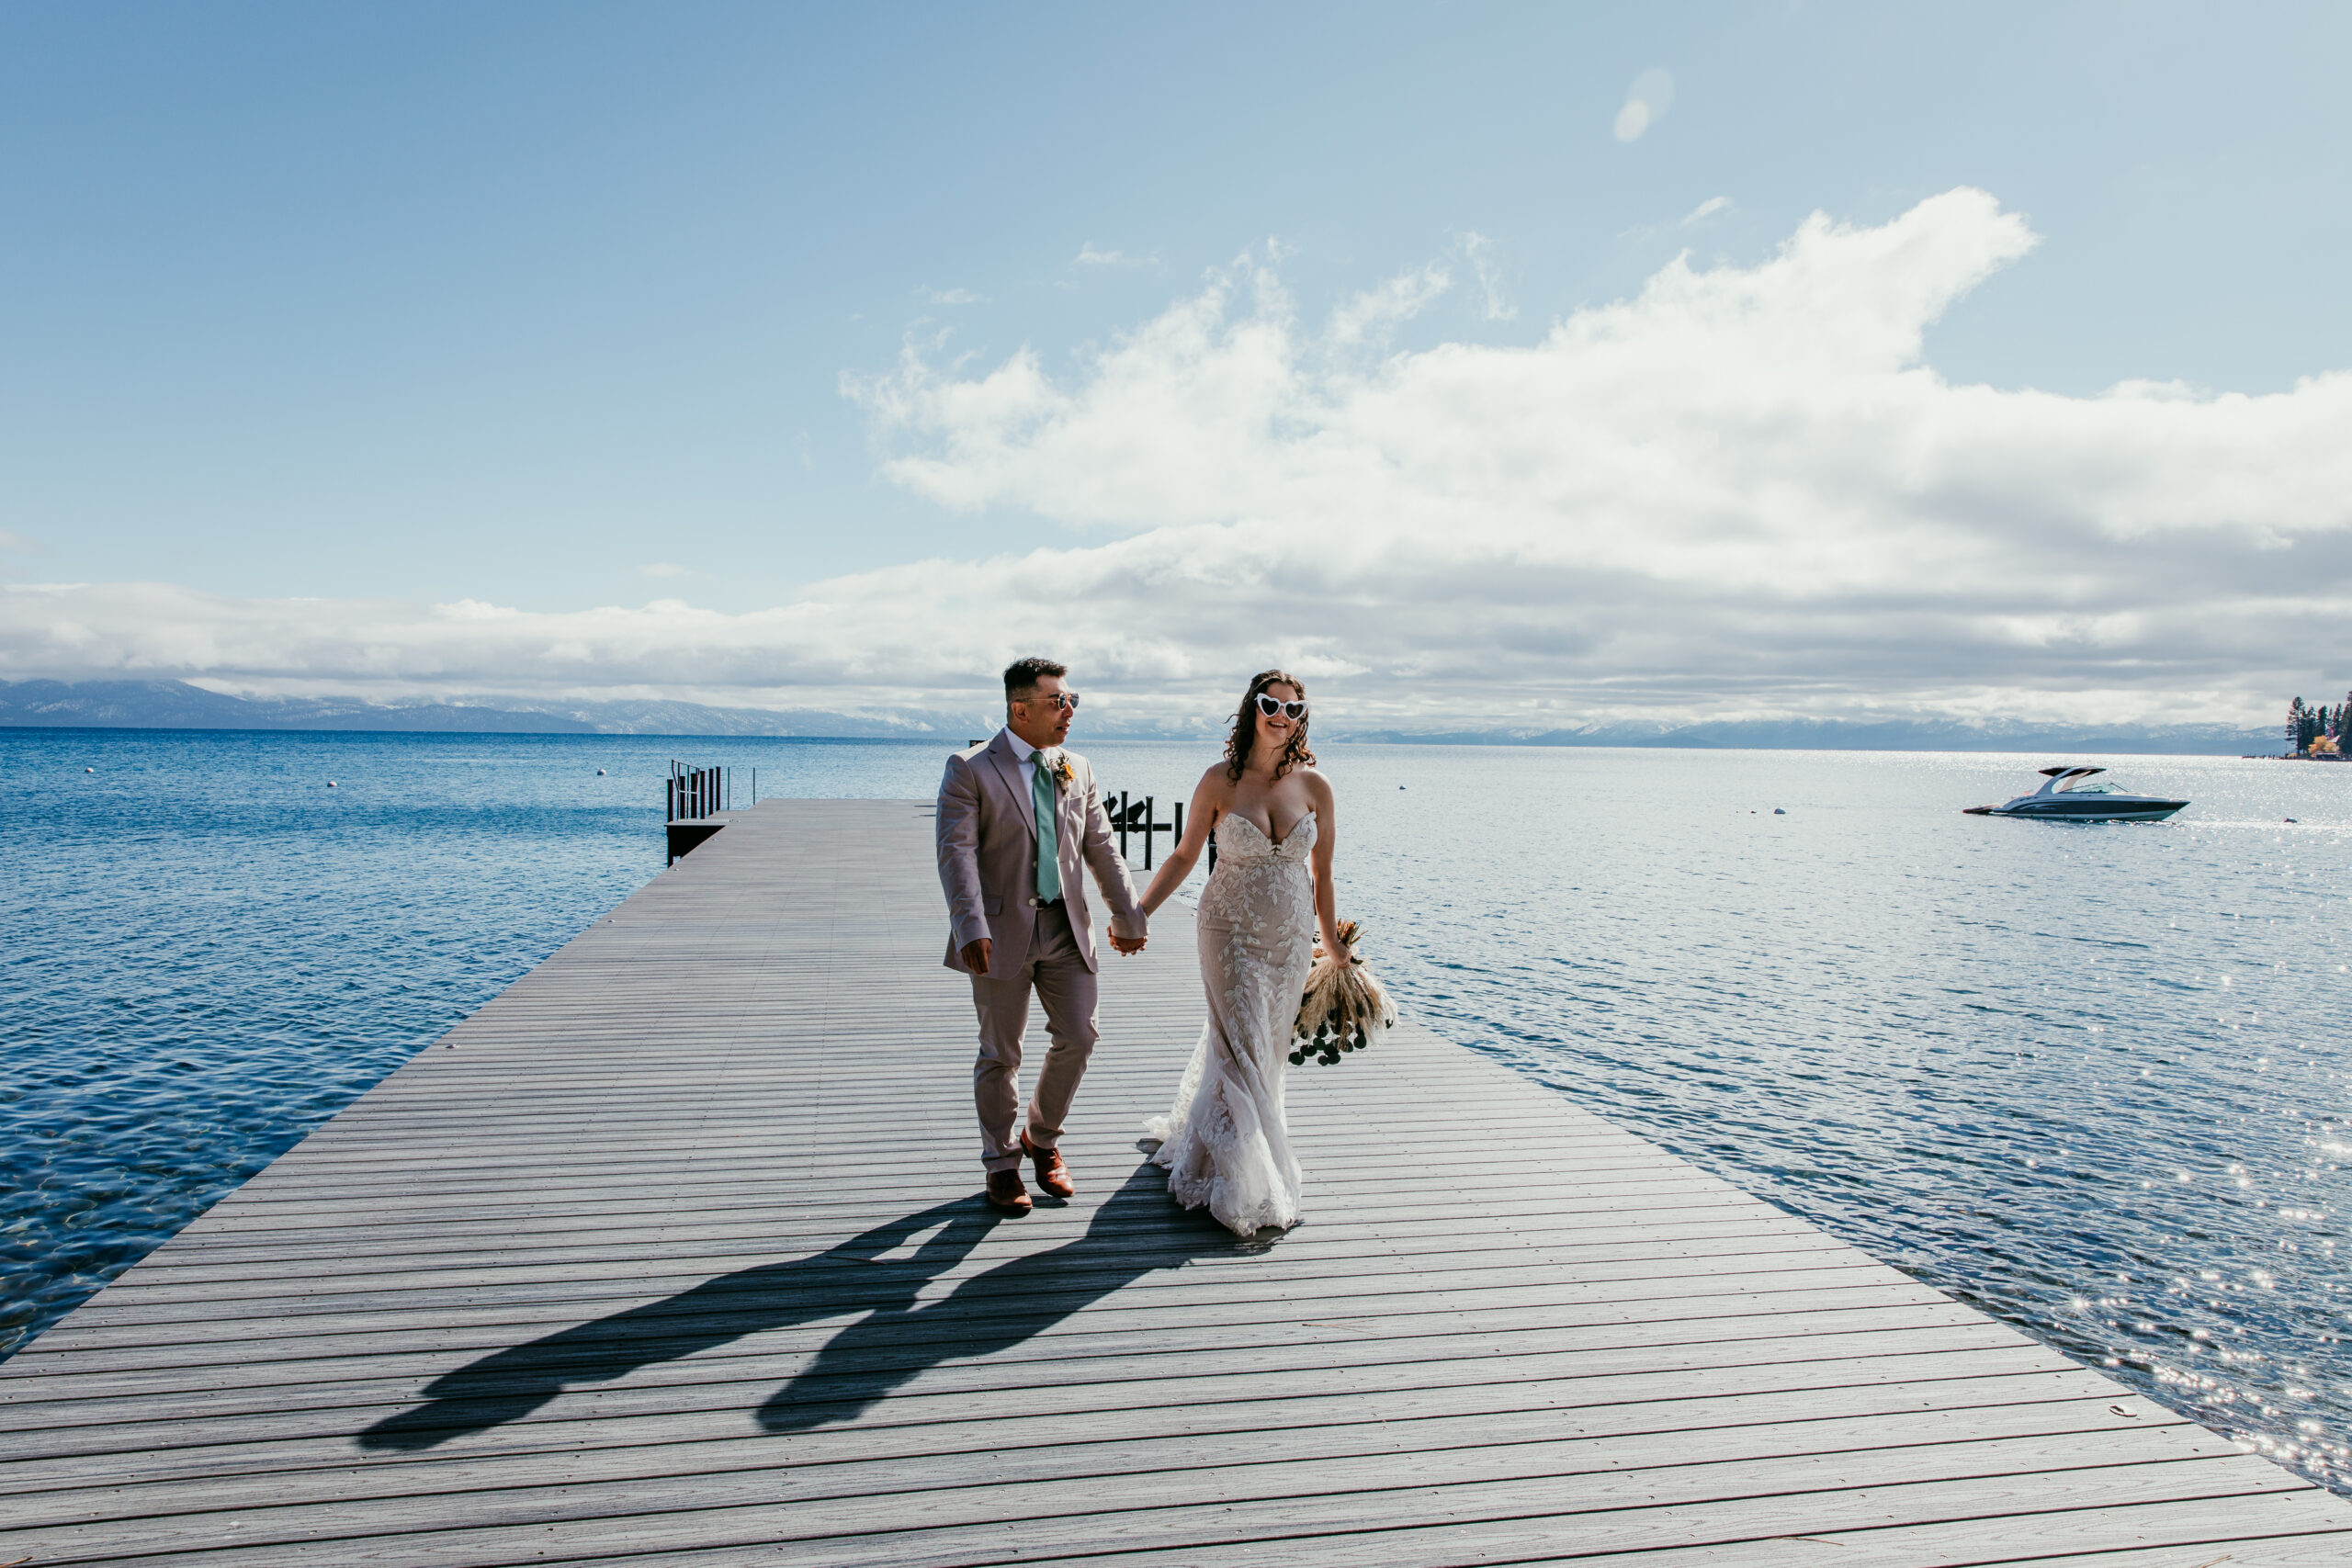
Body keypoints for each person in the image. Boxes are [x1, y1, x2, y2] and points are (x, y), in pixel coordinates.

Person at [936, 657, 1148, 1214]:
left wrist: (1127, 914)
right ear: (1019, 709)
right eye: (1059, 701)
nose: (1069, 711)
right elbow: (956, 855)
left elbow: (1100, 845)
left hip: (1066, 929)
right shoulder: (971, 768)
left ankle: (1042, 1137)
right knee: (1001, 1053)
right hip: (999, 933)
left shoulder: (1076, 766)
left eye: (1072, 700)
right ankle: (1002, 1163)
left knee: (1080, 1036)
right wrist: (969, 926)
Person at [1136, 669, 1338, 1235]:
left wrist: (1334, 947)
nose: (1282, 716)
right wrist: (1138, 912)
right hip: (1228, 931)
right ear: (1252, 707)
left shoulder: (1315, 786)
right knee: (1241, 1043)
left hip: (1291, 939)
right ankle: (1243, 1172)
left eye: (1294, 710)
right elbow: (1181, 856)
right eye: (1272, 705)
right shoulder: (1218, 781)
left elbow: (1323, 875)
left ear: (1303, 719)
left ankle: (1230, 1146)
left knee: (1266, 1050)